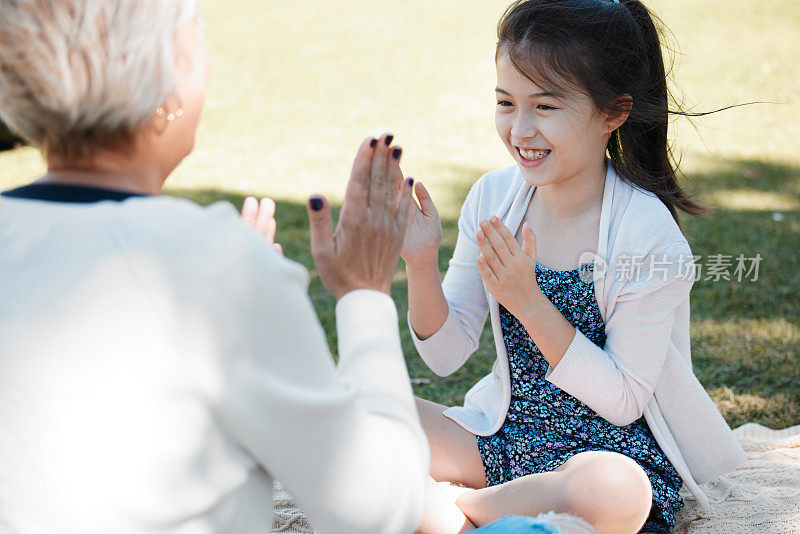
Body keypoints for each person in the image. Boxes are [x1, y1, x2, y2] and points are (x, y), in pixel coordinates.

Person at [0, 1, 430, 533]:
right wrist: (365, 294)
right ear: (170, 75)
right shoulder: (213, 264)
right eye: (198, 33)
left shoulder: (209, 263)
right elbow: (377, 509)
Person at [400, 1, 747, 533]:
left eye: (545, 106)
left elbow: (624, 400)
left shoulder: (647, 235)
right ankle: (493, 508)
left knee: (613, 492)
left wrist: (528, 302)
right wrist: (420, 264)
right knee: (361, 409)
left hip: (612, 457)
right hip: (505, 440)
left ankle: (465, 511)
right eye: (505, 103)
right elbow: (446, 354)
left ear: (614, 112)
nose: (520, 129)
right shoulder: (493, 198)